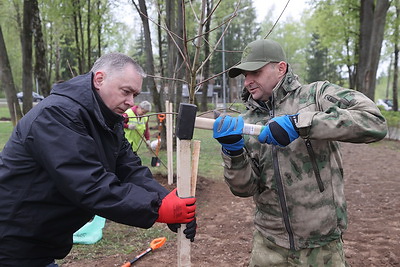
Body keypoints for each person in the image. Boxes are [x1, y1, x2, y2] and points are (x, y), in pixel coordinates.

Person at [0, 52, 196, 266]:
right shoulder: (56, 115)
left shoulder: (107, 121)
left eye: (135, 94)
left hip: (36, 242)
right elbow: (89, 185)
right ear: (99, 79)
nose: (131, 102)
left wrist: (168, 201)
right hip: (12, 240)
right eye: (126, 91)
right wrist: (157, 209)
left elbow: (129, 168)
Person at [212, 39, 387, 266]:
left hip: (322, 247)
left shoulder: (316, 96)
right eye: (244, 75)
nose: (247, 81)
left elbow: (374, 122)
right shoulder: (245, 122)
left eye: (255, 72)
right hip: (268, 246)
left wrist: (300, 124)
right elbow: (244, 189)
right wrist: (233, 151)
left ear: (281, 68)